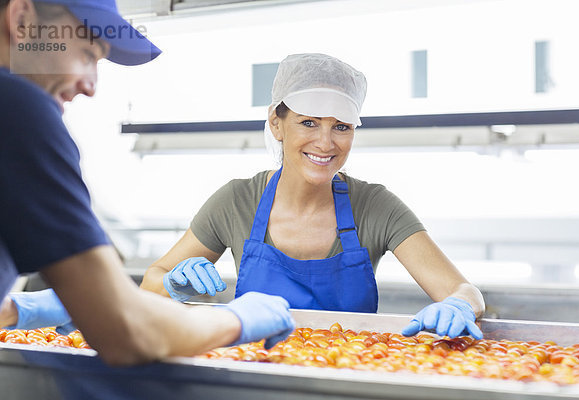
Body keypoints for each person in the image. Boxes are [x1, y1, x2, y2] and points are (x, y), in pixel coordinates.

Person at [0, 0, 295, 366]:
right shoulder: (16, 107)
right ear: (23, 20)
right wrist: (237, 319)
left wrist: (16, 310)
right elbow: (129, 333)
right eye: (88, 54)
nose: (91, 86)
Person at [141, 53, 485, 339]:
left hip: (345, 379)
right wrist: (173, 284)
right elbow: (150, 283)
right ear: (277, 124)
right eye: (309, 123)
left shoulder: (376, 207)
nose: (325, 142)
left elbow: (465, 291)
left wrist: (459, 305)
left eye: (341, 127)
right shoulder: (235, 202)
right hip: (256, 377)